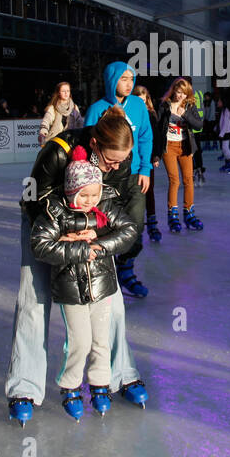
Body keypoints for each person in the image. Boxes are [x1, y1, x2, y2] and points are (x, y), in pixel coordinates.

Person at [4, 108, 149, 424]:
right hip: (45, 227)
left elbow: (120, 205)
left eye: (122, 161)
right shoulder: (58, 150)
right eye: (111, 161)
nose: (116, 166)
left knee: (112, 304)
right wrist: (63, 233)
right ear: (95, 143)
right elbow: (32, 196)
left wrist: (94, 234)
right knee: (33, 298)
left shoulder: (119, 161)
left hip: (91, 231)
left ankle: (121, 373)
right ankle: (24, 387)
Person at [30, 146, 139, 420]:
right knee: (79, 341)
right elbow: (40, 246)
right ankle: (70, 385)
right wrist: (79, 250)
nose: (91, 200)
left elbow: (128, 231)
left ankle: (100, 383)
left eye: (95, 193)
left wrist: (98, 244)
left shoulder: (104, 207)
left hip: (102, 287)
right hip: (71, 290)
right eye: (84, 195)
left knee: (101, 339)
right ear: (71, 192)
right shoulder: (56, 213)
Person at [83, 62, 152, 298]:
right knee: (103, 226)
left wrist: (145, 169)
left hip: (133, 178)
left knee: (135, 227)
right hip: (106, 179)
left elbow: (145, 137)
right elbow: (89, 144)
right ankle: (107, 273)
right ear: (112, 80)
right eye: (123, 78)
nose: (129, 83)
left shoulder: (138, 105)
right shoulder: (97, 109)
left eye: (131, 78)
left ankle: (126, 269)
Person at [154, 77, 204, 234]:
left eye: (184, 93)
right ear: (173, 90)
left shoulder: (189, 106)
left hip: (185, 147)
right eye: (178, 91)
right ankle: (173, 216)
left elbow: (199, 125)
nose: (180, 95)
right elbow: (157, 130)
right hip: (169, 146)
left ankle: (189, 214)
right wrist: (156, 154)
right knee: (174, 180)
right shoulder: (164, 105)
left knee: (188, 180)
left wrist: (186, 115)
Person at [133, 84, 163, 242]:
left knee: (148, 190)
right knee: (132, 192)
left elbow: (155, 136)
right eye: (138, 97)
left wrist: (156, 155)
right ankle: (132, 225)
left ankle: (152, 223)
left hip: (147, 158)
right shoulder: (128, 112)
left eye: (143, 98)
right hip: (131, 158)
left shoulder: (151, 114)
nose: (141, 101)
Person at [39, 81, 83, 145]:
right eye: (63, 91)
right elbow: (46, 121)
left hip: (71, 141)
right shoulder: (53, 108)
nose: (66, 93)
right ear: (58, 93)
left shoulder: (74, 108)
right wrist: (43, 133)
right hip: (55, 141)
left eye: (68, 91)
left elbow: (80, 123)